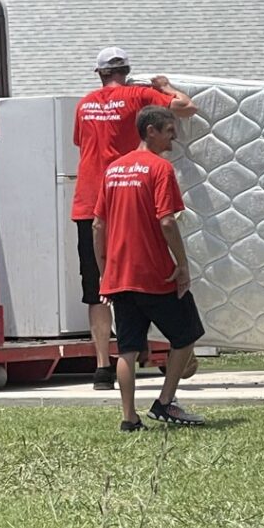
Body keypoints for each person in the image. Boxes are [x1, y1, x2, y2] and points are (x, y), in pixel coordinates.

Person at [72, 47, 196, 390]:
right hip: (130, 198)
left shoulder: (84, 104)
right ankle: (170, 345)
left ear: (99, 74)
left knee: (99, 287)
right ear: (127, 71)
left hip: (90, 201)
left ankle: (103, 367)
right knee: (146, 278)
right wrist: (165, 86)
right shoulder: (139, 95)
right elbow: (186, 106)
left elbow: (80, 143)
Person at [93, 105, 206, 429]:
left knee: (127, 349)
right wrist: (182, 265)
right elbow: (167, 221)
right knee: (187, 334)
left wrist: (105, 271)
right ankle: (165, 403)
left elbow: (98, 225)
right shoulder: (160, 169)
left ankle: (129, 418)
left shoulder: (113, 170)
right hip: (154, 273)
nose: (174, 137)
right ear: (151, 131)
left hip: (119, 276)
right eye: (169, 131)